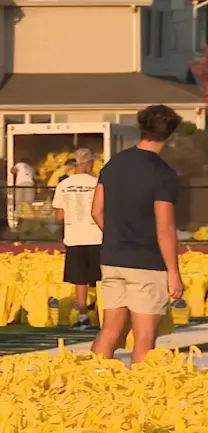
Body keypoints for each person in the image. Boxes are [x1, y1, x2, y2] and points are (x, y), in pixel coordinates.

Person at [90, 104, 184, 364]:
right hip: (146, 262)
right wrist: (174, 273)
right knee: (144, 335)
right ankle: (140, 392)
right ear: (170, 135)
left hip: (112, 258)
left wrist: (118, 235)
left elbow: (96, 210)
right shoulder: (163, 174)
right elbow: (164, 226)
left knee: (110, 330)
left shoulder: (114, 163)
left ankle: (91, 383)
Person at [52, 149, 102, 330]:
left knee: (79, 281)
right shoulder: (98, 183)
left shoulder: (64, 185)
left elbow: (59, 215)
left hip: (74, 237)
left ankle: (82, 316)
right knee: (101, 280)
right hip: (97, 236)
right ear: (88, 164)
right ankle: (102, 315)